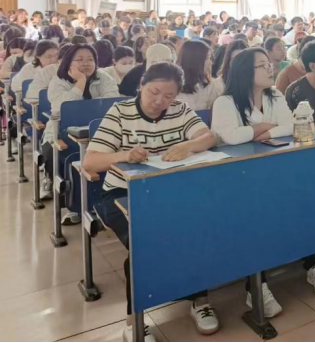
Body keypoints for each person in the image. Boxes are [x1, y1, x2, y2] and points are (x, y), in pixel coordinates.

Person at [84, 62, 218, 341]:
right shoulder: (120, 112)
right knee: (145, 243)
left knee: (196, 229)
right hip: (121, 193)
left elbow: (209, 137)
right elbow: (91, 162)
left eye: (169, 96)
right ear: (141, 85)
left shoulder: (180, 110)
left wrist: (187, 145)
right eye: (154, 92)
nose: (160, 102)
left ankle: (199, 301)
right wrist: (124, 155)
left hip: (167, 191)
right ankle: (134, 319)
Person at [212, 48, 307, 312]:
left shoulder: (274, 95)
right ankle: (255, 285)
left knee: (305, 197)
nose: (270, 69)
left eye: (269, 64)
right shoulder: (225, 102)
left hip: (273, 170)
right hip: (236, 176)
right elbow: (231, 137)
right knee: (252, 215)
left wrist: (259, 132)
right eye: (262, 65)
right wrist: (262, 128)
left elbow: (292, 126)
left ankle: (312, 261)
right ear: (245, 71)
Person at [46, 44, 120, 224]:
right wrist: (80, 83)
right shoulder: (58, 81)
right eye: (79, 60)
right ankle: (74, 205)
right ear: (68, 62)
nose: (86, 63)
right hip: (61, 134)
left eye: (90, 60)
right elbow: (61, 108)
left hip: (100, 133)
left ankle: (102, 205)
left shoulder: (104, 78)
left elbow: (111, 103)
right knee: (57, 155)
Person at [177, 40, 224, 111]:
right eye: (207, 58)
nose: (211, 63)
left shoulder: (214, 87)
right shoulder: (173, 87)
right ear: (195, 61)